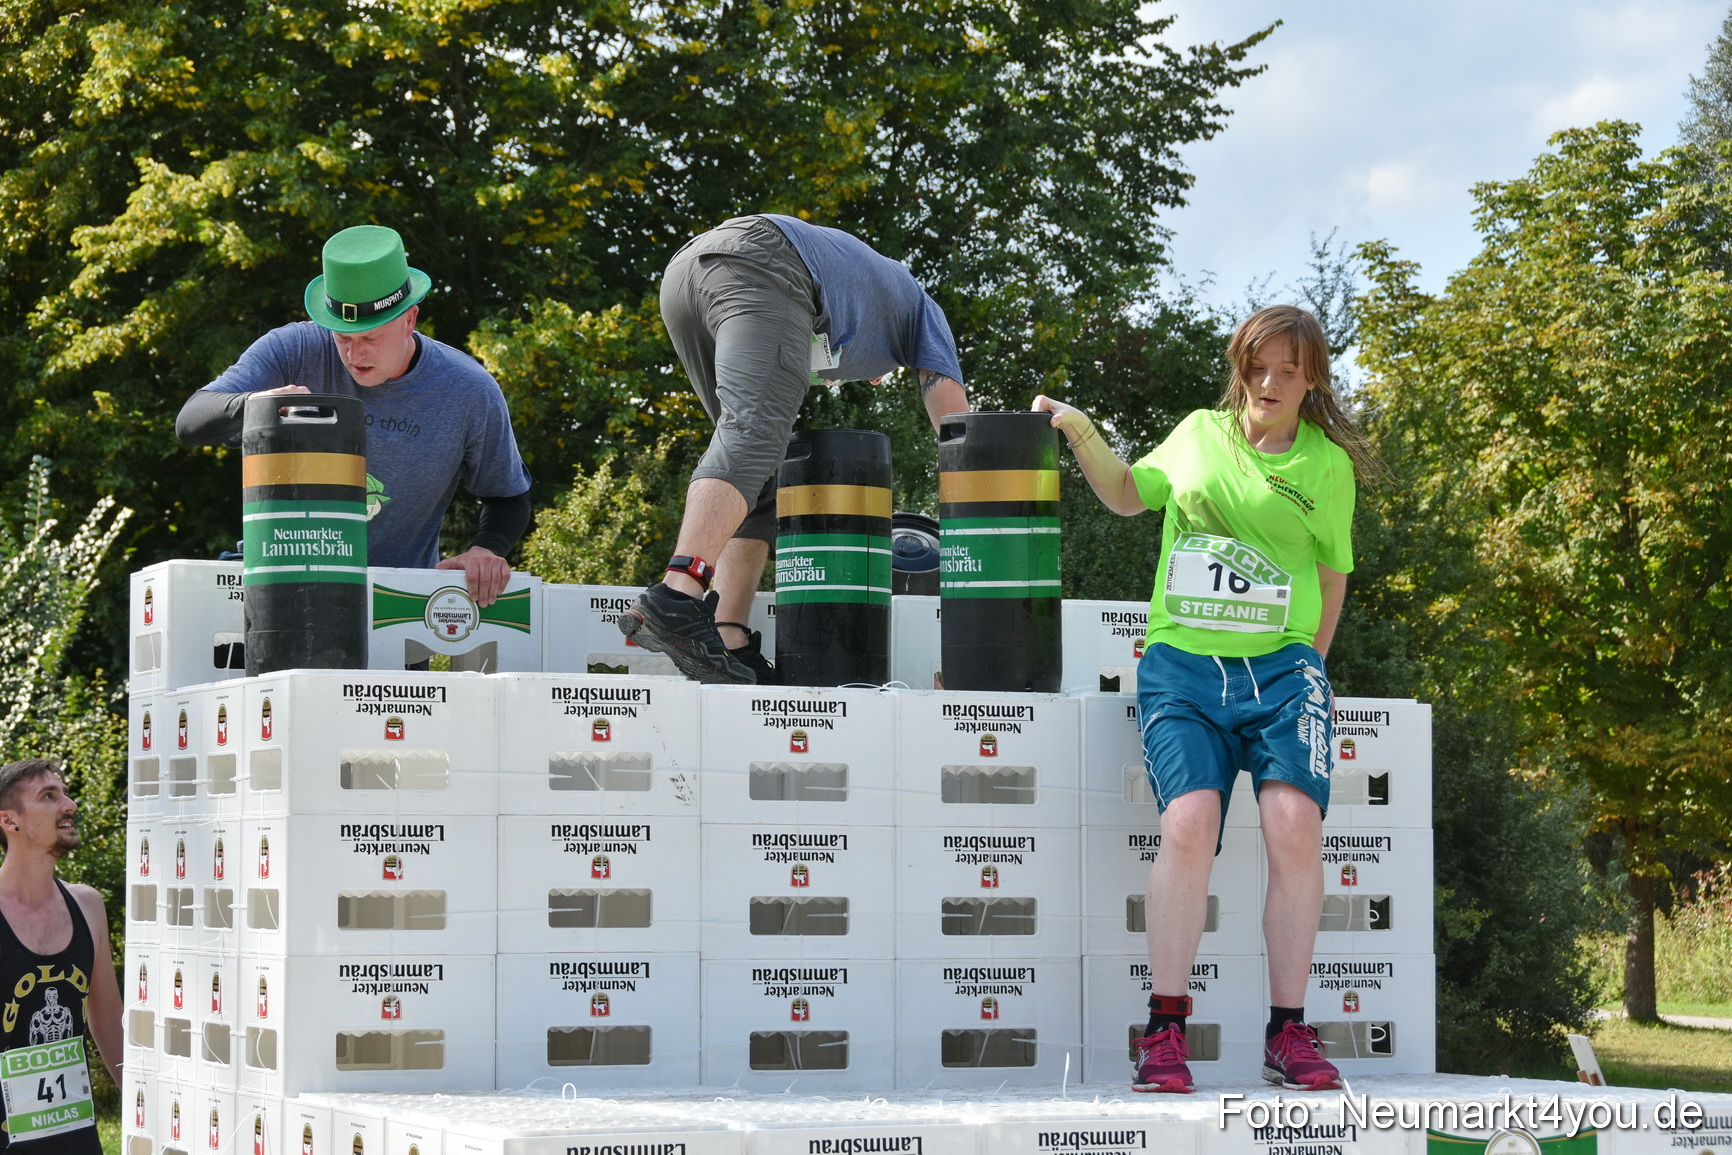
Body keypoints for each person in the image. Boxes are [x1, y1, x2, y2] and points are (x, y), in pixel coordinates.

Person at [1034, 305, 1380, 1093]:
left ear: (1311, 380)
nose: (1268, 383)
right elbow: (1128, 493)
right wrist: (1081, 430)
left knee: (1295, 825)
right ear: (1240, 367)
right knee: (1190, 823)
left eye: (1287, 371)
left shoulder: (1327, 466)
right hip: (1184, 665)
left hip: (1282, 670)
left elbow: (1332, 578)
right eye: (1257, 366)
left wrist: (1311, 669)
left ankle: (1288, 1032)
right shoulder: (1198, 432)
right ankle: (1164, 1031)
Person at [619, 214, 970, 683]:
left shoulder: (865, 299)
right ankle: (678, 594)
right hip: (765, 264)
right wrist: (976, 504)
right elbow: (956, 427)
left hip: (686, 275)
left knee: (758, 471)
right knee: (752, 439)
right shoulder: (922, 311)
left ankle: (727, 636)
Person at [176, 225, 532, 607]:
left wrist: (486, 549)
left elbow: (508, 495)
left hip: (393, 598)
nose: (354, 355)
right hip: (274, 582)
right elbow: (191, 421)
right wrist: (257, 404)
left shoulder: (469, 390)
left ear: (409, 320)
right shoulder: (292, 349)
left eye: (370, 338)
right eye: (342, 337)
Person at [0, 760, 123, 1152]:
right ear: (10, 820)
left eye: (65, 793)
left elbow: (108, 1019)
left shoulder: (87, 905)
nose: (69, 804)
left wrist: (144, 1104)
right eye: (49, 796)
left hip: (74, 1134)